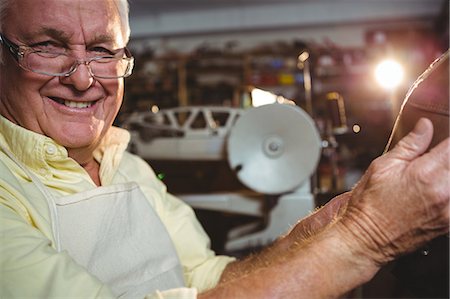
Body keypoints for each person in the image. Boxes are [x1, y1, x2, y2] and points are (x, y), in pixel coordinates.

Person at [0, 0, 448, 298]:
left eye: (102, 50)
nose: (82, 78)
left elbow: (212, 280)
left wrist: (325, 229)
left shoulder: (127, 166)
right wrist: (366, 237)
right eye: (46, 46)